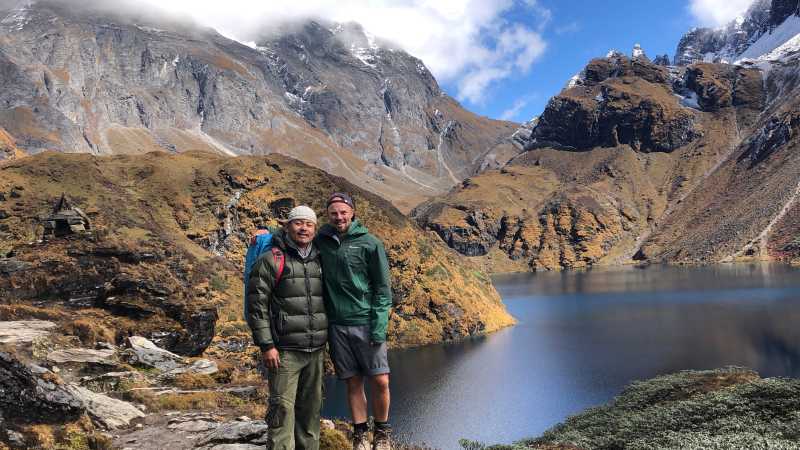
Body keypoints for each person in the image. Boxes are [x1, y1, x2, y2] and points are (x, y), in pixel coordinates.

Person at [316, 192, 393, 450]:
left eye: (343, 212)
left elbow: (383, 290)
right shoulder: (321, 241)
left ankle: (381, 434)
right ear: (328, 216)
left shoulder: (370, 243)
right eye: (334, 213)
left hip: (367, 322)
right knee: (353, 382)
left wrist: (379, 326)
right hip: (338, 325)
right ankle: (360, 434)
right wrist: (265, 232)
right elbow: (295, 234)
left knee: (381, 380)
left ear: (352, 213)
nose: (339, 217)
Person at [246, 205, 327, 450]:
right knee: (281, 409)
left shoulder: (321, 258)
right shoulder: (271, 259)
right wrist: (267, 345)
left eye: (309, 224)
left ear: (315, 228)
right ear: (288, 226)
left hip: (316, 350)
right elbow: (256, 305)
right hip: (284, 351)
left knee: (311, 413)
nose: (303, 228)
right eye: (298, 223)